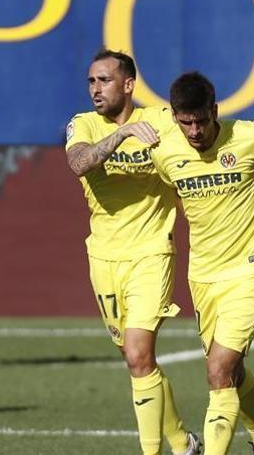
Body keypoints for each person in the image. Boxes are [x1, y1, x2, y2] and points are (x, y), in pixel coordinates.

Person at [149, 71, 254, 454]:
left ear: (215, 111)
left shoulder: (251, 137)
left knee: (218, 370)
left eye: (201, 120)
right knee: (231, 372)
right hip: (203, 275)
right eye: (185, 122)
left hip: (251, 269)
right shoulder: (165, 152)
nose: (194, 131)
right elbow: (170, 198)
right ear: (174, 116)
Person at [65, 49, 201, 455]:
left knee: (140, 354)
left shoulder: (161, 121)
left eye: (104, 80)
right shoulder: (84, 124)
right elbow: (78, 164)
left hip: (151, 253)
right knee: (135, 359)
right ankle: (183, 442)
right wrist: (122, 134)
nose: (95, 89)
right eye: (91, 81)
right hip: (104, 258)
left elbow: (198, 137)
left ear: (128, 85)